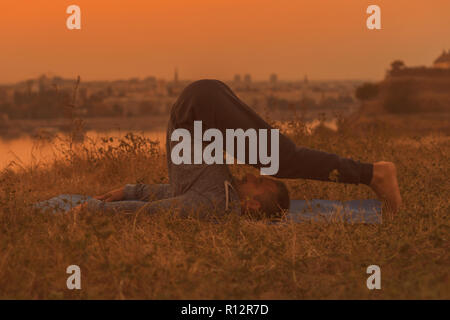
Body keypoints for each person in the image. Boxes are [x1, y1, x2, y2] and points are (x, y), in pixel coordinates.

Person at [74, 79, 401, 219]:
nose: (252, 173)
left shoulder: (215, 201)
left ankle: (375, 172)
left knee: (280, 160)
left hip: (198, 111)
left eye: (258, 182)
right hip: (199, 111)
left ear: (254, 206)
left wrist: (113, 201)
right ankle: (372, 172)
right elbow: (175, 203)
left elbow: (162, 205)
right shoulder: (220, 195)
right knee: (279, 160)